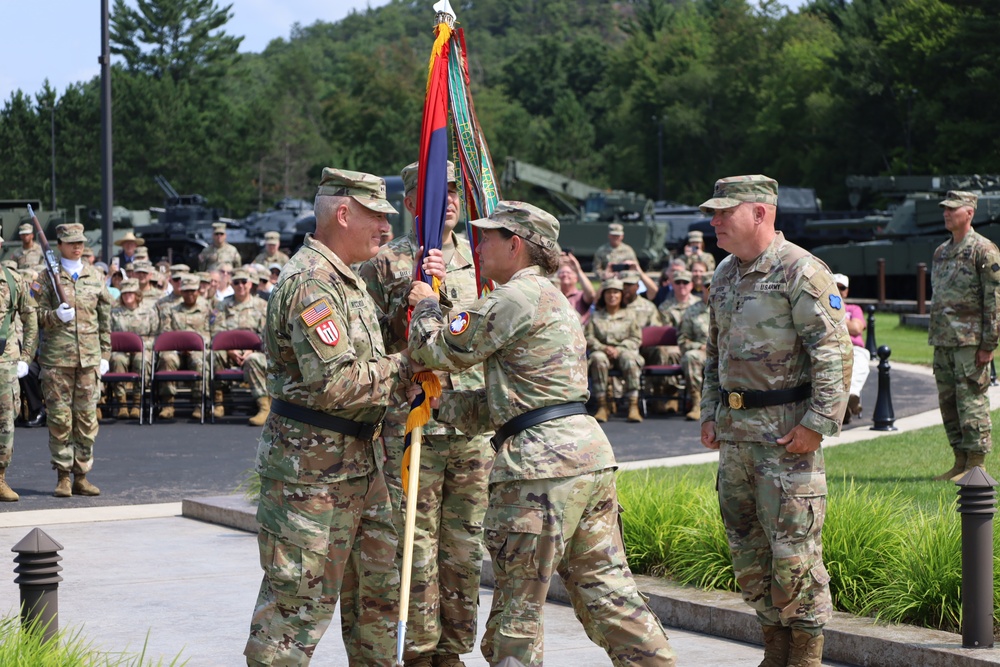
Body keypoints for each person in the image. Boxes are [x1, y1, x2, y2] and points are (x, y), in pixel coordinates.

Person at [408, 200, 676, 667]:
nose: (479, 244)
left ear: (516, 245)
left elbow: (437, 349)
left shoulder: (514, 296)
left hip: (540, 471)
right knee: (609, 594)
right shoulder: (551, 298)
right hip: (583, 456)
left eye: (488, 236)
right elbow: (511, 400)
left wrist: (426, 307)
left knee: (518, 612)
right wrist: (440, 406)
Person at [245, 168, 411, 667]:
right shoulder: (312, 285)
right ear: (343, 213)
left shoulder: (349, 281)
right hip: (311, 479)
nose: (387, 229)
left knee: (376, 610)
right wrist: (410, 363)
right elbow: (337, 383)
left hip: (362, 467)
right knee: (293, 616)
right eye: (377, 217)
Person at [698, 175, 851, 667]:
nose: (714, 220)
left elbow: (834, 352)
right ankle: (774, 650)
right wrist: (709, 412)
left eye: (725, 212)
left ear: (760, 213)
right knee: (748, 552)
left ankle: (805, 656)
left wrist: (818, 423)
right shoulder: (724, 273)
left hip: (787, 437)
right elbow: (713, 351)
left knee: (794, 555)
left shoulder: (801, 271)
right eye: (714, 212)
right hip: (737, 437)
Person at [358, 159, 491, 667]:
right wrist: (409, 306)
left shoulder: (481, 258)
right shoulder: (386, 263)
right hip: (414, 424)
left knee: (464, 544)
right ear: (415, 201)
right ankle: (417, 651)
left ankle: (453, 651)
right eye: (440, 191)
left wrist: (445, 295)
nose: (451, 199)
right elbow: (371, 338)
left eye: (456, 191)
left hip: (470, 420)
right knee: (415, 543)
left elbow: (485, 329)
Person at [35, 223, 113, 498]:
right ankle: (63, 476)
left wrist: (105, 354)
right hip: (57, 360)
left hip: (89, 359)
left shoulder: (95, 276)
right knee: (59, 419)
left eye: (80, 241)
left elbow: (105, 319)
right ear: (59, 245)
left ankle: (82, 475)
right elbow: (35, 317)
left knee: (87, 419)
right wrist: (56, 315)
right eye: (71, 242)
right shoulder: (46, 279)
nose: (77, 246)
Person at [929, 190, 1000, 481]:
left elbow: (993, 300)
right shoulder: (941, 251)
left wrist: (989, 343)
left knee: (971, 401)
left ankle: (976, 464)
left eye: (952, 209)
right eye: (945, 209)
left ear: (969, 213)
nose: (946, 213)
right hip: (944, 340)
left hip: (971, 343)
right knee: (948, 403)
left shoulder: (984, 250)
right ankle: (959, 461)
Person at [0, 238, 38, 501]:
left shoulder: (12, 280)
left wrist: (26, 356)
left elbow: (30, 316)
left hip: (5, 364)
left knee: (5, 423)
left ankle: (0, 478)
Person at [156, 274, 216, 420]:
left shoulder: (207, 308)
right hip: (176, 350)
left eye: (193, 291)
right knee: (166, 358)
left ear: (198, 291)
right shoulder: (172, 309)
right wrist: (179, 346)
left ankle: (199, 404)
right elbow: (165, 333)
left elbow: (213, 333)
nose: (189, 294)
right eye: (186, 291)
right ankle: (168, 404)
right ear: (181, 292)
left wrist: (196, 345)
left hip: (198, 350)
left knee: (200, 361)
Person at [215, 267, 270, 425]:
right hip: (228, 351)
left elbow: (266, 333)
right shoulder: (222, 306)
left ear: (250, 284)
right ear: (231, 285)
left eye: (244, 282)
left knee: (253, 359)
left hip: (254, 351)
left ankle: (264, 407)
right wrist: (229, 350)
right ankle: (219, 402)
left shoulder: (261, 306)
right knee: (213, 355)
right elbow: (217, 332)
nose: (241, 285)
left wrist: (251, 349)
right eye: (236, 282)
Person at [586, 277, 644, 423]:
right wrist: (604, 348)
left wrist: (618, 349)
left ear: (621, 295)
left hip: (623, 352)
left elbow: (636, 339)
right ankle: (602, 405)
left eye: (616, 293)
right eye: (608, 293)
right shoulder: (596, 316)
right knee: (598, 359)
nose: (612, 296)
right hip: (603, 352)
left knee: (630, 359)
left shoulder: (630, 315)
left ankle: (633, 405)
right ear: (603, 295)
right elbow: (588, 338)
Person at [110, 278, 158, 419]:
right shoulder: (114, 313)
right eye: (124, 293)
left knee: (141, 361)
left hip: (143, 349)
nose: (127, 296)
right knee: (117, 360)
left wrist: (140, 346)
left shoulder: (149, 312)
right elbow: (109, 334)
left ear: (137, 294)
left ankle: (137, 402)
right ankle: (122, 404)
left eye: (131, 293)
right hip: (120, 349)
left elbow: (156, 335)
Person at [832, 274, 870, 425]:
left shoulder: (854, 309)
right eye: (835, 286)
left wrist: (834, 318)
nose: (839, 290)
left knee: (861, 362)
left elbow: (856, 328)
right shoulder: (819, 308)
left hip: (855, 348)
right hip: (833, 348)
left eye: (842, 288)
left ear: (847, 291)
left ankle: (851, 395)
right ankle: (845, 405)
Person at [678, 273, 711, 421]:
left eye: (714, 285)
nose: (711, 289)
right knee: (690, 356)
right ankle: (697, 403)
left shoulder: (731, 307)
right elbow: (683, 340)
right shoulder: (691, 311)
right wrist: (701, 346)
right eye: (707, 286)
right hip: (702, 352)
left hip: (725, 352)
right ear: (701, 288)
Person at [555, 251, 595, 324]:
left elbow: (591, 295)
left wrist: (578, 269)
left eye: (568, 273)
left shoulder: (580, 296)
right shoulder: (554, 296)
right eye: (562, 273)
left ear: (576, 278)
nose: (565, 275)